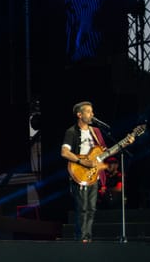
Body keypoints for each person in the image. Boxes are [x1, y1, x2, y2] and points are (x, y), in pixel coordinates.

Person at [60, 101, 109, 242]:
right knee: (82, 208)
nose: (92, 114)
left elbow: (103, 152)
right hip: (79, 173)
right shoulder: (72, 131)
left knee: (92, 209)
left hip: (93, 175)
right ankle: (80, 239)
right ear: (79, 114)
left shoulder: (97, 131)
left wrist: (125, 143)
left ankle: (87, 238)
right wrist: (82, 161)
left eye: (92, 111)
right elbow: (64, 152)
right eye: (88, 111)